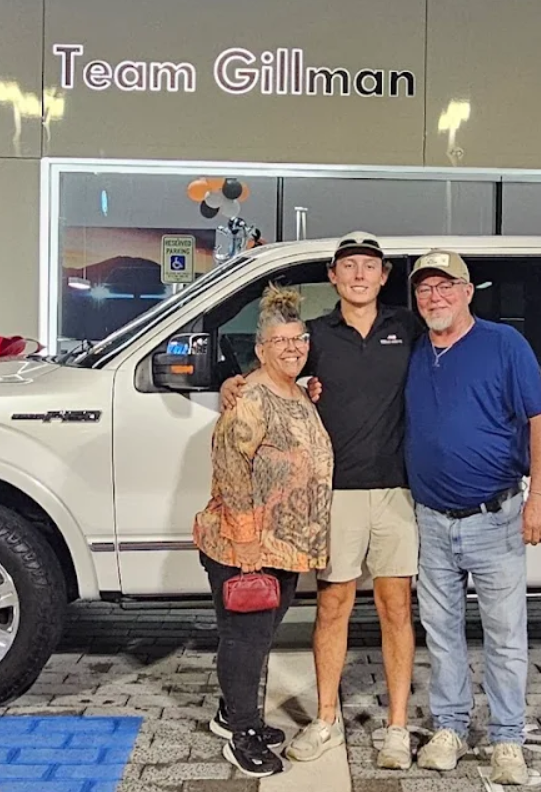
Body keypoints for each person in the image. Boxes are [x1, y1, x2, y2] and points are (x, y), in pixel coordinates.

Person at [220, 231, 426, 770]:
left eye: (370, 266)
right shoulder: (313, 336)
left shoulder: (407, 327)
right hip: (333, 497)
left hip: (397, 490)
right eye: (348, 266)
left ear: (384, 277)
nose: (359, 274)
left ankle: (398, 728)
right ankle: (327, 719)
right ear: (332, 277)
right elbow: (272, 370)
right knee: (333, 605)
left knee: (396, 609)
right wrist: (232, 383)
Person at [402, 249, 541, 786]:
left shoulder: (503, 344)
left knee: (505, 636)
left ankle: (508, 738)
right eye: (425, 289)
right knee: (441, 634)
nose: (435, 296)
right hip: (432, 521)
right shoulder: (418, 350)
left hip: (496, 517)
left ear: (468, 292)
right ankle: (449, 727)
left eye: (446, 286)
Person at [194, 284, 334, 778]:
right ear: (260, 350)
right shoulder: (251, 398)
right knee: (246, 640)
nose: (292, 348)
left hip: (285, 545)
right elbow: (231, 470)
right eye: (281, 342)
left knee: (258, 634)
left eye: (299, 339)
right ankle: (243, 734)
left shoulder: (298, 392)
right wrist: (248, 541)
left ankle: (232, 713)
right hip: (246, 543)